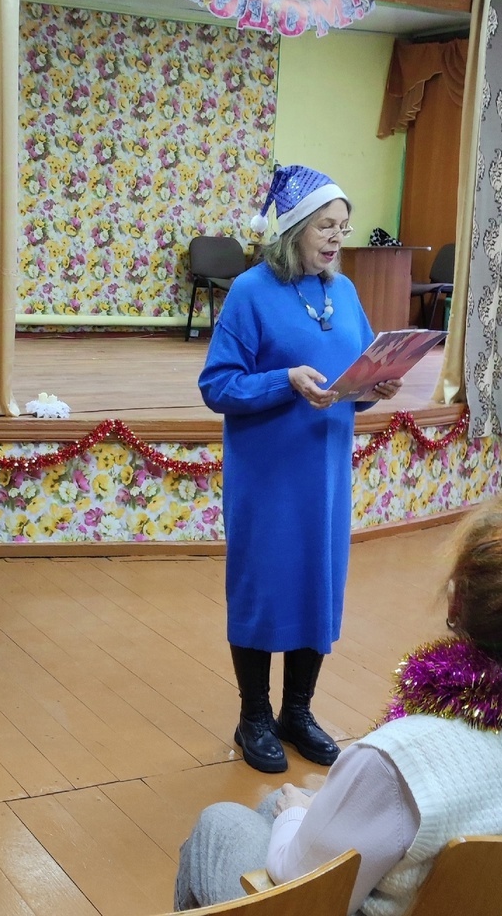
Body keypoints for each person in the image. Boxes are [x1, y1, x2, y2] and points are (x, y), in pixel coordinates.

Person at [174, 484, 502, 914]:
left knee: (222, 824)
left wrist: (296, 816)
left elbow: (298, 884)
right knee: (276, 808)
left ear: (456, 602)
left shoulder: (399, 764)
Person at [198, 164, 400, 775]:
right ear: (293, 230)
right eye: (325, 226)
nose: (338, 237)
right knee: (264, 587)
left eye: (343, 226)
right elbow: (217, 385)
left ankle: (297, 711)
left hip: (326, 475)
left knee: (317, 583)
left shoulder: (344, 292)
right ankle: (254, 716)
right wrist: (283, 381)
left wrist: (375, 387)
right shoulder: (250, 292)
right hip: (269, 474)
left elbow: (356, 374)